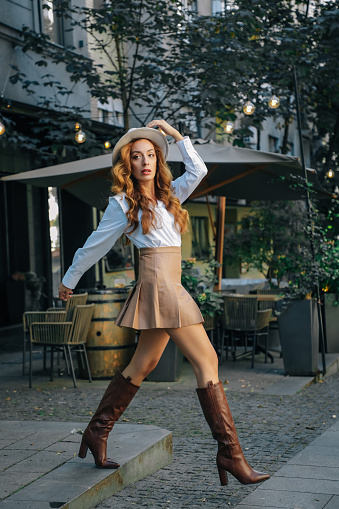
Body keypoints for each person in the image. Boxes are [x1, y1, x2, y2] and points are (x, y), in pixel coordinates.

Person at [58, 119, 269, 486]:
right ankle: (230, 455)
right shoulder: (123, 203)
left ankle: (96, 431)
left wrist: (175, 135)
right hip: (160, 286)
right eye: (137, 157)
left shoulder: (170, 195)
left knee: (145, 362)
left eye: (151, 155)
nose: (144, 162)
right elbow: (96, 243)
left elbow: (199, 169)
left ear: (159, 159)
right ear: (128, 164)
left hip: (169, 284)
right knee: (209, 360)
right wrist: (69, 279)